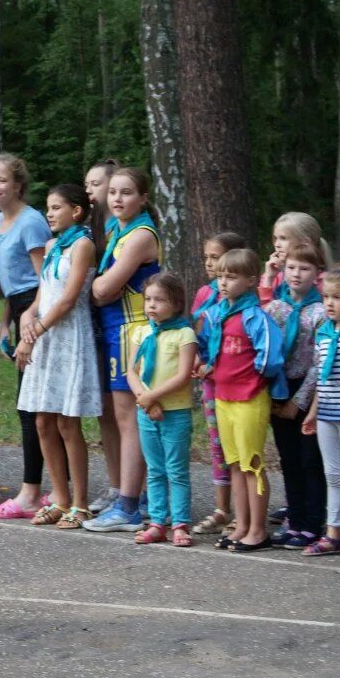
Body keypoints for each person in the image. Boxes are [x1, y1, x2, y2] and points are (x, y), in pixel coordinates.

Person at [15, 185, 99, 529]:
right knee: (42, 420)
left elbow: (67, 299)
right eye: (48, 208)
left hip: (67, 335)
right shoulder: (52, 245)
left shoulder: (83, 245)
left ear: (76, 211)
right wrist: (29, 315)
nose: (48, 214)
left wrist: (37, 330)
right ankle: (59, 497)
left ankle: (80, 502)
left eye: (56, 207)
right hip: (45, 334)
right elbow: (45, 291)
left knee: (67, 421)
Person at [83, 167, 160, 532]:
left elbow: (101, 290)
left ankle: (129, 506)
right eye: (112, 192)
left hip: (133, 330)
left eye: (126, 192)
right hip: (117, 329)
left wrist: (101, 287)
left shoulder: (140, 236)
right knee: (122, 418)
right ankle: (136, 496)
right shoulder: (118, 230)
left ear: (143, 198)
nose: (117, 199)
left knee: (129, 421)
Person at [197, 248, 287, 552]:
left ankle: (259, 530)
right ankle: (242, 524)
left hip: (248, 398)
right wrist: (208, 366)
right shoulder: (219, 313)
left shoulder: (255, 316)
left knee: (252, 463)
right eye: (220, 276)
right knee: (234, 464)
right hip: (223, 397)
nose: (223, 283)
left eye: (231, 277)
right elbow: (212, 351)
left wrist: (254, 377)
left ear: (250, 281)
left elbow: (271, 357)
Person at [0, 154, 51, 520]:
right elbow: (12, 283)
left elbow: (47, 279)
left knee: (34, 406)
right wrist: (6, 322)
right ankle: (45, 488)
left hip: (38, 309)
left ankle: (33, 492)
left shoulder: (31, 222)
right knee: (30, 405)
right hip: (18, 307)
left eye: (2, 180)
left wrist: (31, 318)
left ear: (18, 185)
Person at [263, 242, 328, 549]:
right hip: (280, 387)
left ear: (317, 274)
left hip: (310, 392)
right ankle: (296, 521)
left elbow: (319, 364)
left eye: (304, 268)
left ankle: (314, 523)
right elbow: (265, 351)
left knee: (310, 460)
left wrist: (297, 403)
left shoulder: (320, 312)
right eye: (291, 268)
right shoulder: (276, 308)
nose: (296, 274)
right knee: (288, 459)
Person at [125, 273, 198, 547]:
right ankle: (157, 521)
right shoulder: (141, 332)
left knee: (176, 469)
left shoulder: (184, 334)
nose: (152, 305)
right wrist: (146, 400)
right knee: (155, 469)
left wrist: (151, 398)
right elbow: (131, 371)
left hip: (175, 412)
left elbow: (182, 375)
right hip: (146, 410)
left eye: (160, 300)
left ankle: (180, 522)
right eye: (148, 299)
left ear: (177, 304)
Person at [190, 231, 247, 535]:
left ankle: (244, 512)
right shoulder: (204, 295)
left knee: (240, 448)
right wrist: (197, 361)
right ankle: (221, 509)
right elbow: (198, 335)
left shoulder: (245, 300)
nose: (210, 264)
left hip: (237, 382)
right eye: (207, 257)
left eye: (217, 257)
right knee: (217, 445)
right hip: (211, 380)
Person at [84, 158, 121, 511]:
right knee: (104, 410)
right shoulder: (92, 225)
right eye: (89, 185)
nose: (90, 191)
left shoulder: (130, 228)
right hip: (96, 322)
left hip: (122, 322)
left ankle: (131, 488)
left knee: (122, 410)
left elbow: (102, 287)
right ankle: (115, 484)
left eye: (96, 184)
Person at [302, 269, 340, 556]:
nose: (329, 303)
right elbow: (320, 376)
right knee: (333, 474)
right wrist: (313, 411)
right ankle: (333, 532)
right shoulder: (324, 332)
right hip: (327, 412)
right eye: (326, 296)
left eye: (337, 297)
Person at [258, 211, 332, 303]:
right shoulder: (274, 275)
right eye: (275, 238)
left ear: (305, 243)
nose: (277, 244)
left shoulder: (324, 282)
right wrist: (269, 278)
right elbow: (263, 313)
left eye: (283, 238)